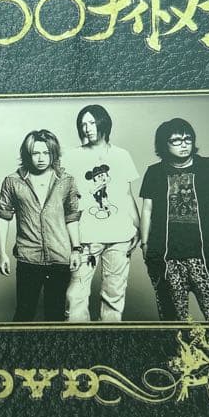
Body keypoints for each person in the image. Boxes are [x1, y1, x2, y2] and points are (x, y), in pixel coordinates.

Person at [139, 117, 209, 321]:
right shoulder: (154, 172)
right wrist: (145, 244)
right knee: (174, 321)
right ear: (164, 144)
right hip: (167, 257)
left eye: (187, 139)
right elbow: (147, 210)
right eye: (176, 140)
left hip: (204, 254)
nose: (183, 144)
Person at [61, 104, 141, 322]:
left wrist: (139, 228)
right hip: (85, 237)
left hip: (120, 237)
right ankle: (78, 340)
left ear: (103, 123)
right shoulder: (71, 156)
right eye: (83, 124)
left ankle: (108, 338)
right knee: (75, 296)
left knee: (114, 296)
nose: (87, 128)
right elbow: (64, 198)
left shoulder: (122, 155)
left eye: (92, 123)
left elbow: (127, 195)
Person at [0, 129, 81, 321]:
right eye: (35, 153)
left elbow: (72, 217)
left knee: (55, 315)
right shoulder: (12, 181)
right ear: (27, 154)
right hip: (28, 257)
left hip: (60, 257)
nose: (41, 158)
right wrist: (2, 253)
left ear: (53, 153)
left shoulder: (66, 181)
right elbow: (3, 217)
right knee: (24, 314)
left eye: (46, 153)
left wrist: (76, 249)